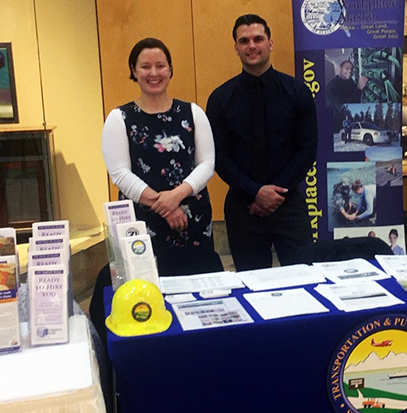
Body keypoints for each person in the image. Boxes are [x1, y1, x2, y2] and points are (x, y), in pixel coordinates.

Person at [101, 37, 223, 276]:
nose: (153, 73)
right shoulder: (119, 118)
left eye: (160, 65)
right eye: (145, 66)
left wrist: (176, 196)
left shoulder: (193, 112)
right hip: (142, 223)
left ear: (170, 69)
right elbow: (120, 173)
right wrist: (165, 206)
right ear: (134, 71)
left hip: (192, 219)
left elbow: (207, 163)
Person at [206, 14, 317, 271]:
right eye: (244, 41)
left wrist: (273, 193)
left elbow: (306, 150)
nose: (251, 46)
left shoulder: (298, 93)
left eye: (258, 39)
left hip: (288, 205)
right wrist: (256, 192)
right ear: (236, 47)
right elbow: (219, 157)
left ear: (270, 43)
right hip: (243, 207)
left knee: (303, 278)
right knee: (251, 285)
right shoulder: (220, 99)